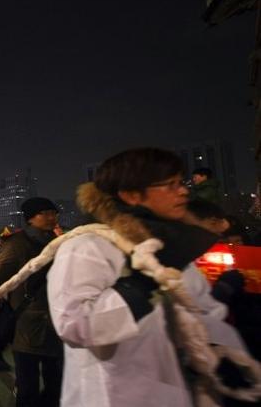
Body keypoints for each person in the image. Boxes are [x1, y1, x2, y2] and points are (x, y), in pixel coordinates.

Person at [47, 148, 218, 406]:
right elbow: (73, 325)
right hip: (113, 393)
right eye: (170, 185)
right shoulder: (87, 246)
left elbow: (201, 309)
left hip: (176, 389)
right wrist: (141, 285)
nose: (183, 191)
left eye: (181, 182)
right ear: (131, 195)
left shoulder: (172, 245)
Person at [0, 197, 62, 406]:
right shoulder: (16, 244)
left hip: (59, 321)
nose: (52, 218)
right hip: (27, 322)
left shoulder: (59, 242)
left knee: (58, 384)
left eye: (54, 213)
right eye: (46, 213)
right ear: (31, 218)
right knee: (28, 386)